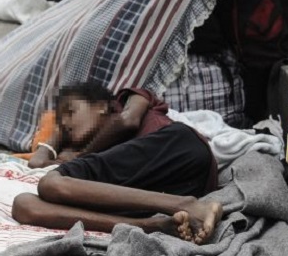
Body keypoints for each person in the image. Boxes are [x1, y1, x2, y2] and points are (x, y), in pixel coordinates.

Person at [12, 83, 223, 245]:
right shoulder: (106, 161)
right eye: (60, 122)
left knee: (51, 184)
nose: (65, 123)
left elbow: (127, 120)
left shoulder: (130, 99)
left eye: (70, 111)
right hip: (174, 188)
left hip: (181, 149)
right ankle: (152, 226)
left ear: (103, 106)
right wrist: (55, 137)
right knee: (25, 206)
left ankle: (185, 205)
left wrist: (79, 155)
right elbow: (37, 163)